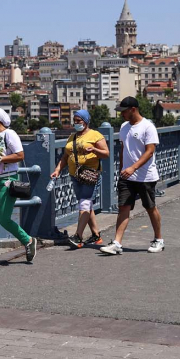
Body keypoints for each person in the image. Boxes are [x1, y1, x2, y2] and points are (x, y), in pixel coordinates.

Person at [101, 96, 163, 255]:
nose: (121, 114)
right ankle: (117, 243)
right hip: (127, 176)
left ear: (133, 110)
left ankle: (158, 239)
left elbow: (150, 152)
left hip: (145, 176)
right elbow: (124, 148)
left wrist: (133, 168)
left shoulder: (148, 127)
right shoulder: (123, 127)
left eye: (124, 111)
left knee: (150, 207)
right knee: (123, 207)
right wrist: (122, 168)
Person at [0, 106, 37, 264]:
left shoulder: (10, 134)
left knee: (3, 219)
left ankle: (28, 240)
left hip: (7, 180)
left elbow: (20, 155)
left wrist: (0, 160)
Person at [49, 109, 108, 248]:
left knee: (85, 204)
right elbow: (65, 156)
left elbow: (106, 153)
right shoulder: (72, 137)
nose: (76, 123)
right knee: (86, 205)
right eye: (74, 121)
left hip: (90, 174)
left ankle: (78, 237)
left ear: (86, 121)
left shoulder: (95, 135)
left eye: (79, 121)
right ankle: (96, 235)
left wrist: (94, 150)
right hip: (75, 175)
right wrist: (57, 169)